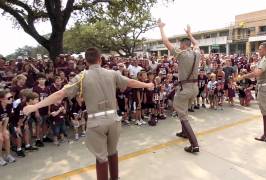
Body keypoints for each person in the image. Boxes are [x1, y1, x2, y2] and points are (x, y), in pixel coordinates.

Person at [23, 47, 154, 180]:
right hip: (114, 119)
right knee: (113, 152)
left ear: (86, 61)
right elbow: (130, 82)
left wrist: (35, 106)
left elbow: (60, 94)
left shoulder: (81, 77)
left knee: (101, 157)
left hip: (96, 121)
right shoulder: (112, 73)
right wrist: (147, 85)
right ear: (100, 59)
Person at [158, 19, 199, 153]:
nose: (179, 45)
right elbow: (197, 43)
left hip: (185, 88)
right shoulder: (196, 53)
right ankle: (184, 132)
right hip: (194, 88)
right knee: (184, 110)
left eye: (180, 44)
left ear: (183, 45)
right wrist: (190, 33)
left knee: (182, 114)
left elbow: (165, 42)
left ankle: (194, 144)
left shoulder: (181, 54)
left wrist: (161, 27)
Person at [237, 42, 266, 142]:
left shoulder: (265, 59)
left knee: (265, 112)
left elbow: (257, 73)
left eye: (260, 49)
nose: (258, 51)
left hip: (265, 89)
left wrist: (242, 76)